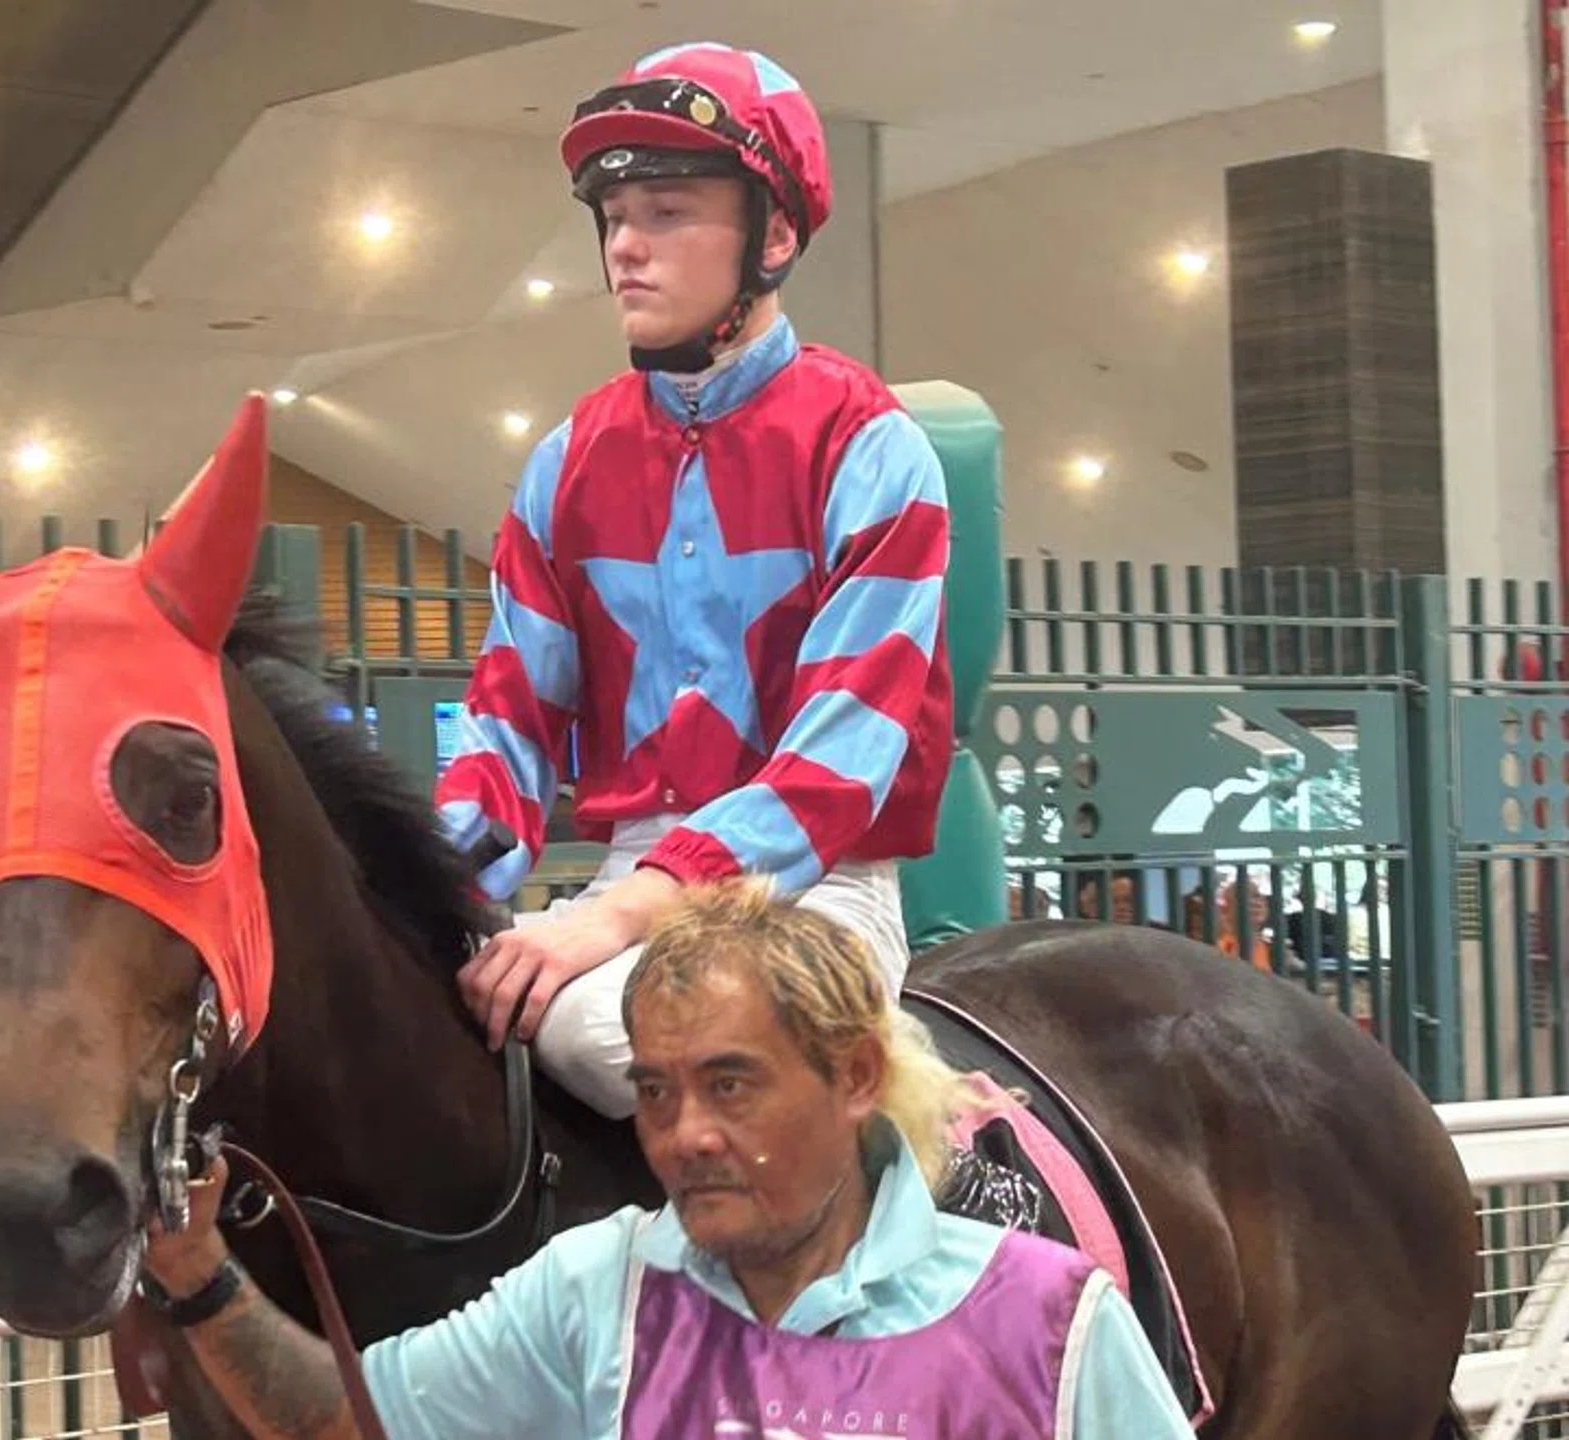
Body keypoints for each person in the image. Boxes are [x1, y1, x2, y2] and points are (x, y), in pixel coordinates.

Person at [143, 882, 1199, 1438]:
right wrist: (200, 1283)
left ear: (857, 1076)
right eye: (656, 1090)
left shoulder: (1057, 1324)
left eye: (731, 1084)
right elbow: (345, 1415)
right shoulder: (597, 1291)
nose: (684, 1134)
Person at [434, 41, 955, 1119]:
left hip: (815, 887)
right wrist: (433, 892)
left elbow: (837, 768)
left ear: (772, 234)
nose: (626, 247)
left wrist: (619, 913)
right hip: (628, 887)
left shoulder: (872, 445)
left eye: (667, 212)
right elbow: (509, 724)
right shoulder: (566, 460)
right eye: (614, 216)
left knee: (625, 1027)